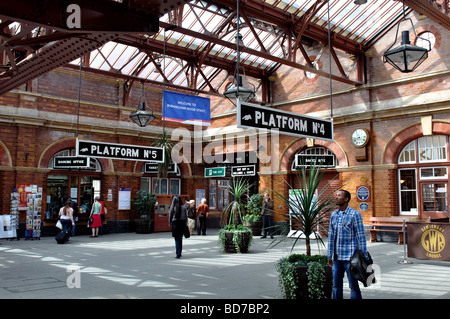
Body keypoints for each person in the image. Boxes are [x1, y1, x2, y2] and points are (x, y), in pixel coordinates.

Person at [327, 189, 368, 299]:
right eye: (336, 195)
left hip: (351, 258)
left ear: (346, 199)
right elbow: (331, 236)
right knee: (336, 285)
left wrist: (364, 257)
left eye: (339, 195)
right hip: (337, 259)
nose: (336, 197)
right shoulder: (334, 215)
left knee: (353, 286)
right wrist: (329, 255)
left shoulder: (355, 215)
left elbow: (361, 237)